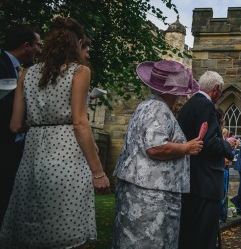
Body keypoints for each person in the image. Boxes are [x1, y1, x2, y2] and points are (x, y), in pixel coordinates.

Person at [0, 18, 109, 248]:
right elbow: (80, 123)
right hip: (67, 156)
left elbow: (15, 125)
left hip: (31, 158)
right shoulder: (80, 71)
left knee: (31, 233)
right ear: (78, 43)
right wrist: (98, 172)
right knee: (68, 231)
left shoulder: (26, 73)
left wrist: (42, 123)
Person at [112, 60, 203, 248]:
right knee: (149, 242)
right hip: (150, 195)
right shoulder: (158, 109)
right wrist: (187, 147)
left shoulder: (148, 106)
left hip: (146, 190)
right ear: (172, 91)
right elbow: (155, 148)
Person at [177, 70, 239, 248]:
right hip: (204, 180)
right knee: (204, 234)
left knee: (191, 232)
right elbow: (209, 143)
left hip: (193, 179)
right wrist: (228, 145)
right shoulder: (206, 106)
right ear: (217, 89)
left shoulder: (190, 105)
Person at [0, 24, 40, 225]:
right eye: (37, 45)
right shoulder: (1, 63)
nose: (39, 50)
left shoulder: (20, 70)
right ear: (27, 45)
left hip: (13, 148)